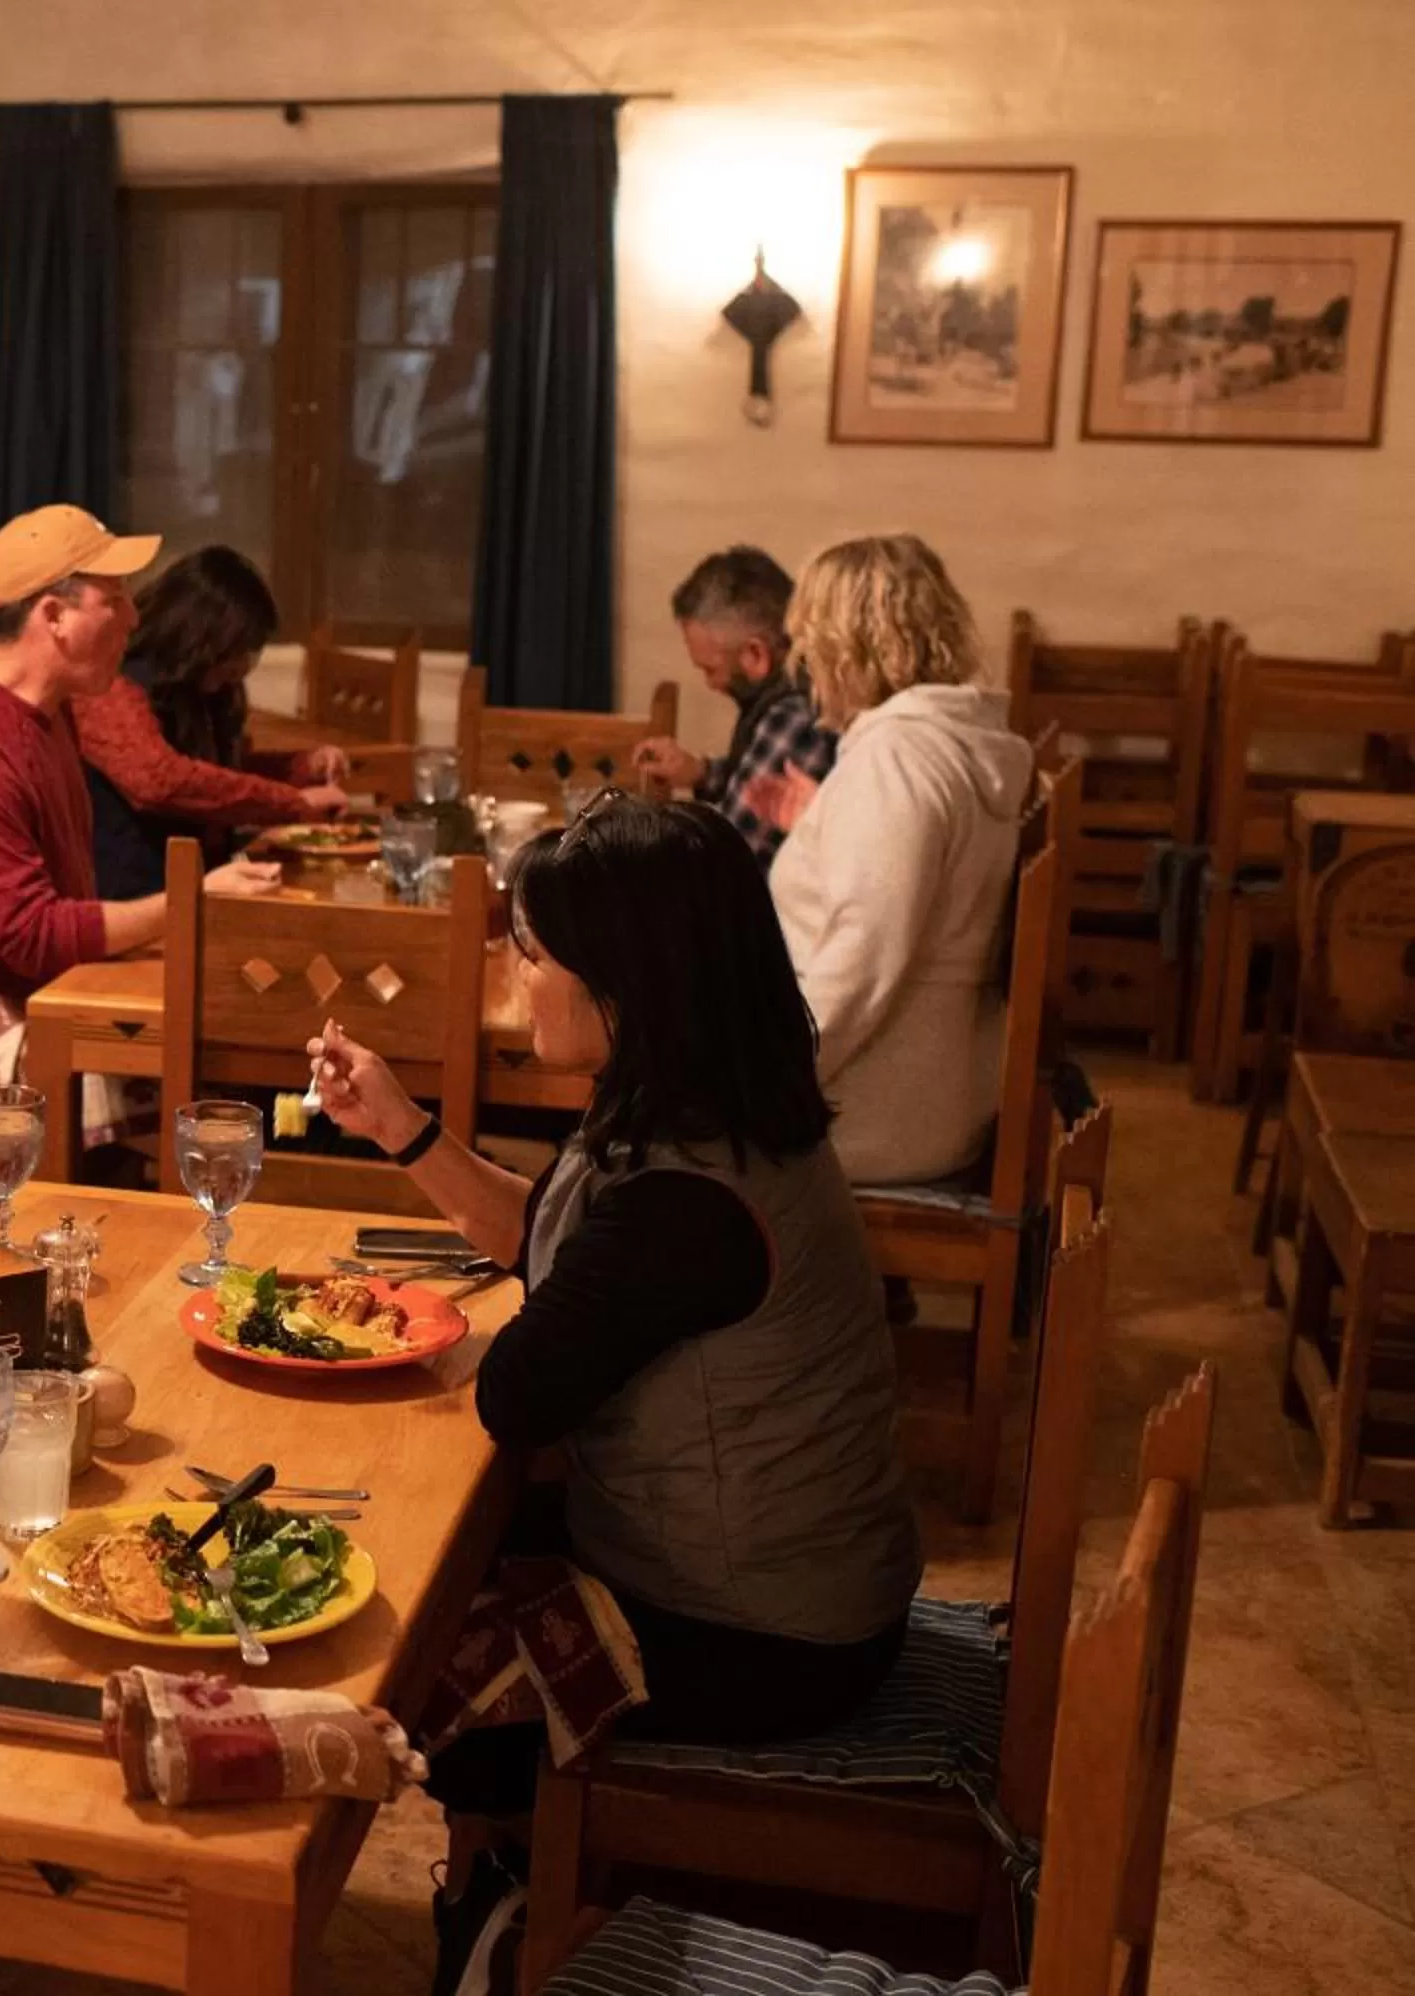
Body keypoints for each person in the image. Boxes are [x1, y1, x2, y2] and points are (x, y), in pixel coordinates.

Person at [304, 794, 919, 1872]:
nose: (514, 968)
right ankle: (504, 1883)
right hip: (807, 1580)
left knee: (399, 1643)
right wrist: (403, 1130)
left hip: (762, 1635)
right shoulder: (707, 1108)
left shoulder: (688, 1200)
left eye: (532, 949)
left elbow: (520, 1396)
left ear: (624, 980)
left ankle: (511, 1905)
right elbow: (553, 1245)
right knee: (440, 1547)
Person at [0, 505, 278, 1116]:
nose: (135, 619)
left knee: (228, 1039)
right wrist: (194, 899)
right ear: (53, 616)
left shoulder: (49, 712)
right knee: (203, 1096)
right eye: (116, 599)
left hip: (35, 994)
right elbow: (32, 937)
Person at [768, 535, 1033, 1185]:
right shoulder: (954, 742)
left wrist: (768, 1081)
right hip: (930, 1080)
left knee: (644, 1136)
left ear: (844, 645)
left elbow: (865, 956)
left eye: (809, 644)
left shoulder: (899, 760)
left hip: (872, 1106)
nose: (803, 665)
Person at [72, 545, 352, 898]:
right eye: (238, 648)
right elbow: (161, 780)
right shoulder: (113, 681)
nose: (244, 664)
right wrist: (292, 802)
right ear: (200, 635)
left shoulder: (195, 685)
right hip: (129, 899)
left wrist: (299, 768)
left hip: (200, 881)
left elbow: (214, 773)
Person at [627, 545, 838, 867]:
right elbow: (763, 780)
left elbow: (728, 860)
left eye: (710, 669)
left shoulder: (794, 715)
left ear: (755, 654)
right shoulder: (799, 683)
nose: (710, 684)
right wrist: (700, 772)